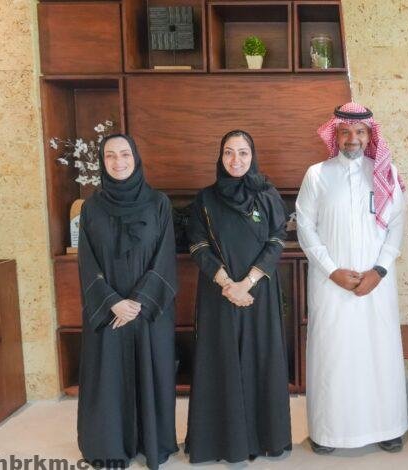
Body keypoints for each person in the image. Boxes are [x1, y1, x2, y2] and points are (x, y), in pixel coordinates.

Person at [296, 102, 408, 454]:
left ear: (370, 135)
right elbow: (305, 228)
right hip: (331, 284)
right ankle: (329, 432)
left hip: (377, 284)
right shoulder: (317, 174)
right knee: (334, 355)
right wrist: (332, 270)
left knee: (379, 353)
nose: (352, 138)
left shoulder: (385, 173)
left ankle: (387, 427)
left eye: (360, 132)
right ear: (336, 135)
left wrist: (379, 270)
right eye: (345, 132)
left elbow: (397, 226)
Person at [184, 130, 292, 463]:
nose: (236, 160)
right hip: (219, 294)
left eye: (243, 152)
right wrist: (227, 284)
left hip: (259, 292)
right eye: (229, 152)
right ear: (220, 157)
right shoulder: (205, 199)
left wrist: (247, 283)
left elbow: (277, 240)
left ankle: (265, 438)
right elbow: (198, 245)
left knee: (261, 359)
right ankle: (222, 443)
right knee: (222, 362)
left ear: (252, 156)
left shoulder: (268, 195)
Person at [77, 134, 178, 469]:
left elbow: (165, 258)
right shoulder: (91, 207)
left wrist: (138, 302)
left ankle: (152, 442)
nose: (118, 162)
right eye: (110, 156)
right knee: (109, 378)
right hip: (109, 312)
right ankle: (110, 445)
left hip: (148, 311)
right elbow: (86, 261)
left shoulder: (159, 203)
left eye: (124, 154)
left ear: (135, 158)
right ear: (101, 161)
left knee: (152, 373)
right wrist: (112, 302)